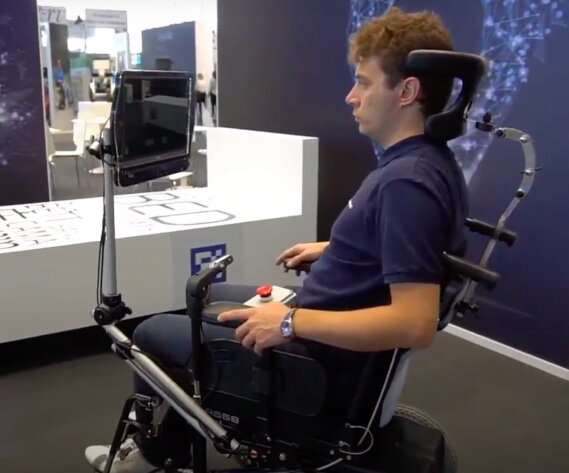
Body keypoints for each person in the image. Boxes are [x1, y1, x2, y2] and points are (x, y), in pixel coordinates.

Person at [85, 7, 468, 473]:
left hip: (316, 360)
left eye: (364, 83)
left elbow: (414, 322)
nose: (351, 97)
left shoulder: (407, 183)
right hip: (321, 321)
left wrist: (288, 323)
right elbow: (401, 245)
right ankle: (174, 436)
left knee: (148, 334)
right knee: (210, 296)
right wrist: (338, 249)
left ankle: (150, 456)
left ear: (406, 92)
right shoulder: (427, 163)